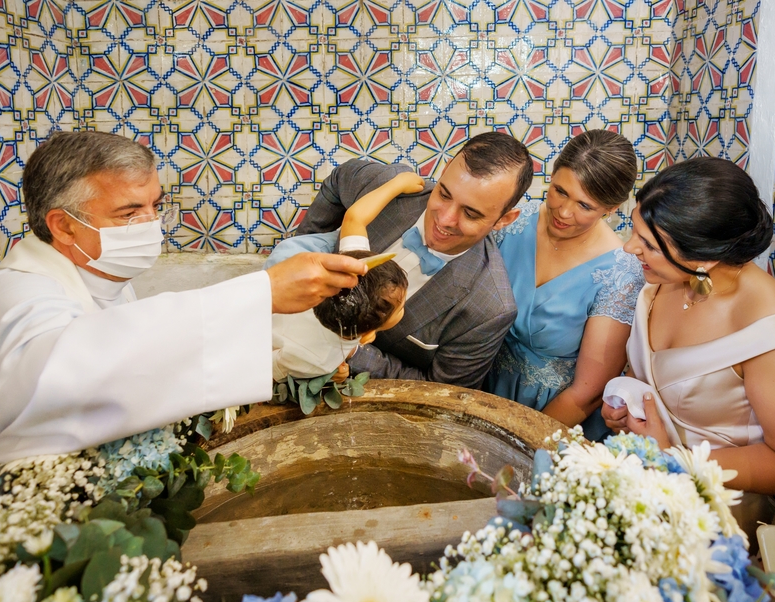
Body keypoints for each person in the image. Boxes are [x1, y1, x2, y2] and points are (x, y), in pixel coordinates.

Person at [0, 131, 366, 499]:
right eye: (129, 213)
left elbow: (138, 367)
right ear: (63, 226)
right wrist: (260, 293)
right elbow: (73, 377)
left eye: (155, 206)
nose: (151, 224)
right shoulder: (15, 297)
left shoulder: (103, 278)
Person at [602, 157, 775, 532]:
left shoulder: (772, 335)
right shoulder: (666, 280)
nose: (629, 248)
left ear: (704, 257)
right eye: (635, 231)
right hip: (642, 488)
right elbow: (652, 378)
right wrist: (627, 406)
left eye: (648, 244)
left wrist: (674, 459)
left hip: (717, 518)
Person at [295, 131, 532, 389]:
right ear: (444, 171)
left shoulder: (489, 310)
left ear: (504, 220)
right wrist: (305, 248)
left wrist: (349, 351)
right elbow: (340, 178)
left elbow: (443, 392)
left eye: (470, 214)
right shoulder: (390, 188)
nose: (445, 220)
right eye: (444, 194)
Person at [484, 130, 643, 439]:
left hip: (555, 417)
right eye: (559, 190)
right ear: (552, 173)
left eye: (585, 206)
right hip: (485, 386)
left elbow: (588, 393)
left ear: (612, 208)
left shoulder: (620, 274)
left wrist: (521, 443)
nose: (564, 211)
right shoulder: (513, 222)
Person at [263, 172, 422, 381]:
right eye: (400, 308)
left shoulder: (346, 272)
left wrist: (397, 183)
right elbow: (269, 371)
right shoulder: (320, 361)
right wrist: (327, 377)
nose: (404, 307)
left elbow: (355, 217)